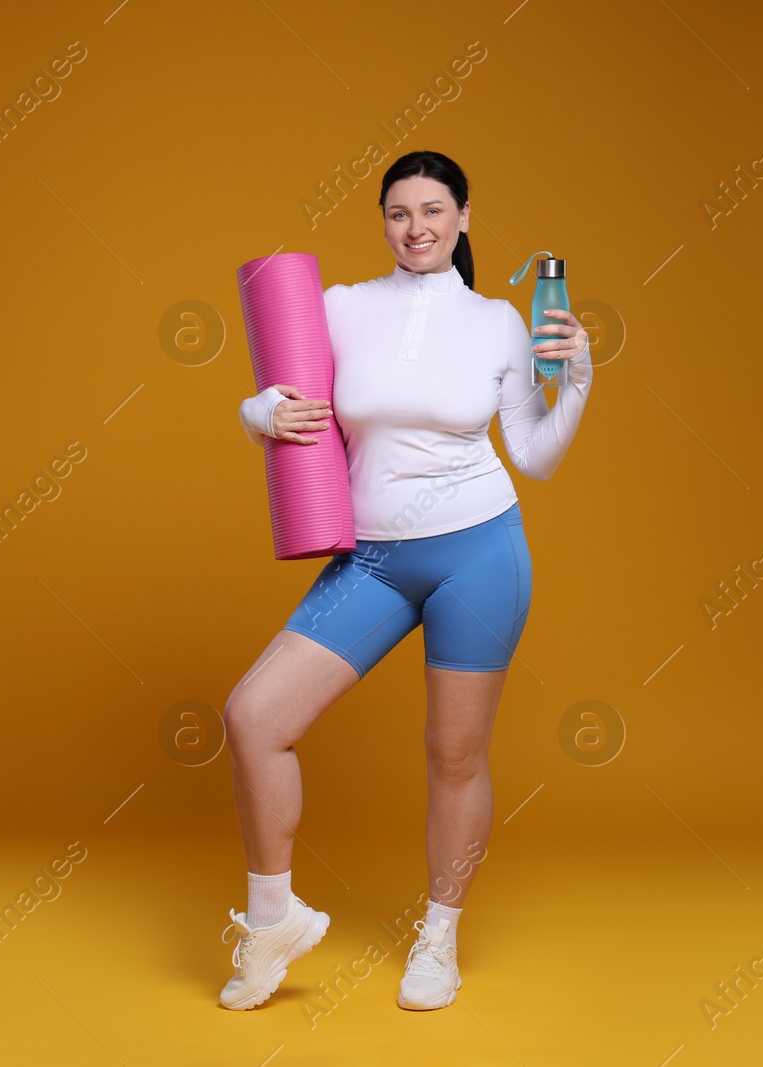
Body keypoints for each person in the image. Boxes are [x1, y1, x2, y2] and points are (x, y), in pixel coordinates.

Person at [219, 149, 593, 1012]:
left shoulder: (500, 320)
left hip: (478, 551)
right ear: (382, 221)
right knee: (255, 715)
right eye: (398, 212)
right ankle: (273, 918)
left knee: (453, 756)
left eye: (432, 210)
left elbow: (531, 455)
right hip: (374, 559)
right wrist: (260, 414)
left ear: (463, 216)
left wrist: (575, 380)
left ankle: (439, 935)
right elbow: (273, 395)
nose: (415, 227)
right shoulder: (339, 309)